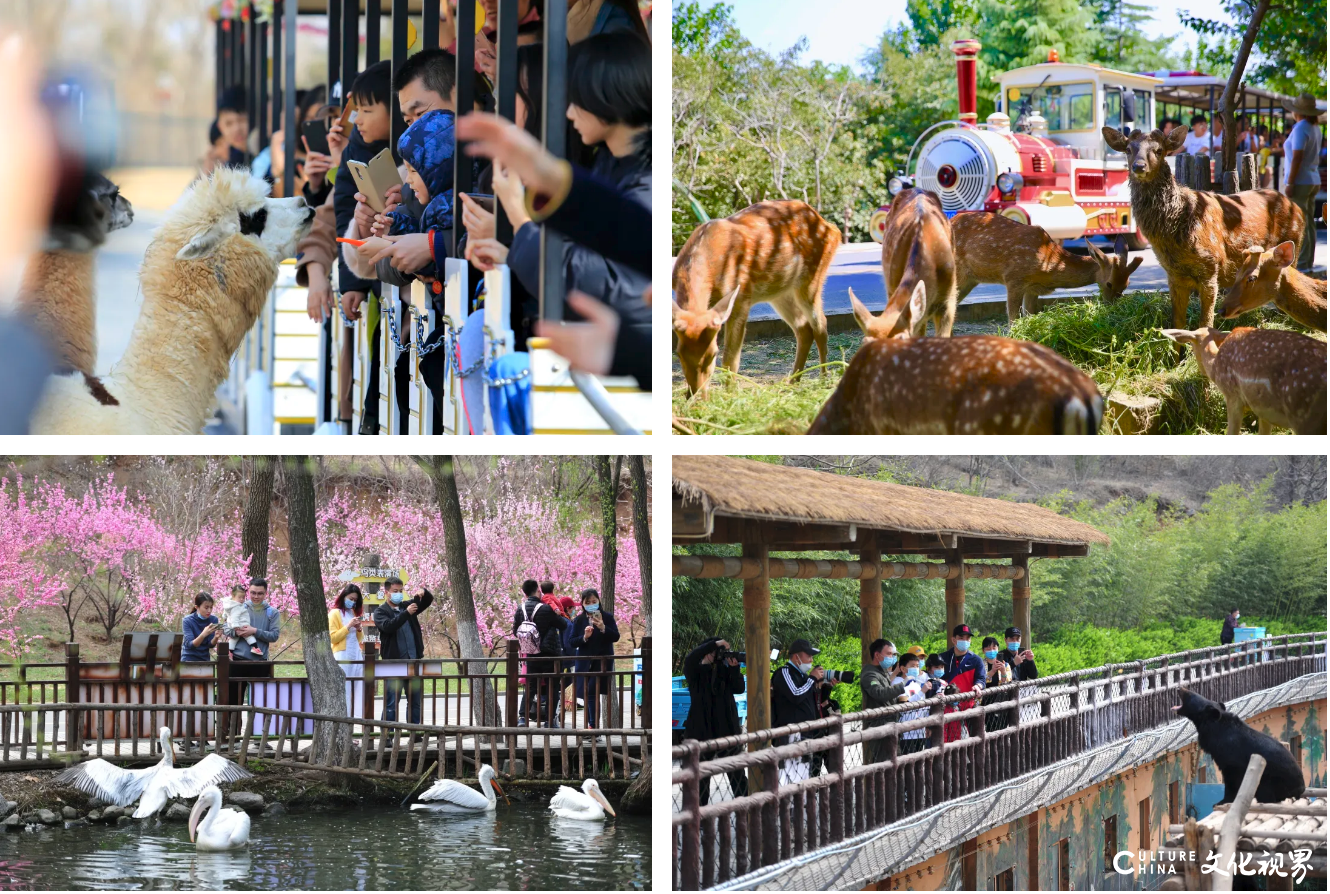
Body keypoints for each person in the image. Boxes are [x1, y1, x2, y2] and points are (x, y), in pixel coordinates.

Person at [334, 61, 393, 328]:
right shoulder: (353, 152)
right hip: (374, 278)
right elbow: (345, 211)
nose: (357, 119)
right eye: (356, 110)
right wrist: (352, 284)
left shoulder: (413, 150)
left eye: (367, 110)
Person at [682, 637, 747, 805]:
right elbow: (690, 658)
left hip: (727, 729)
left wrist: (734, 669)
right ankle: (697, 815)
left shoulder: (724, 670)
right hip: (701, 730)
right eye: (718, 651)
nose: (721, 655)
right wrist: (715, 645)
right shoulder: (695, 670)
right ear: (708, 651)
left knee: (737, 772)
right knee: (700, 775)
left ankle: (747, 809)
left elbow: (739, 688)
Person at [374, 577, 433, 724]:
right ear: (386, 592)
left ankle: (415, 734)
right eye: (395, 591)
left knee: (415, 701)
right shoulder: (381, 612)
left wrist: (423, 592)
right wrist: (406, 613)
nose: (398, 594)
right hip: (394, 664)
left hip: (413, 661)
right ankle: (387, 736)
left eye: (401, 591)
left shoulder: (407, 606)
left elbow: (427, 600)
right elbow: (388, 626)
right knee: (391, 702)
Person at [512, 578, 569, 727]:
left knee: (531, 686)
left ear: (525, 593)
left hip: (531, 654)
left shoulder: (521, 609)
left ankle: (523, 718)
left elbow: (515, 631)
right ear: (538, 590)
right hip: (550, 654)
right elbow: (563, 625)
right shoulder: (545, 608)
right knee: (552, 686)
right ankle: (550, 720)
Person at [569, 588, 619, 740]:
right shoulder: (579, 620)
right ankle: (593, 728)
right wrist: (584, 636)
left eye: (594, 601)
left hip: (602, 661)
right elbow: (572, 641)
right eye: (588, 602)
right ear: (583, 604)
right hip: (584, 662)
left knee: (592, 691)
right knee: (588, 694)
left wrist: (603, 628)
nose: (591, 604)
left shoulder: (607, 617)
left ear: (599, 601)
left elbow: (616, 636)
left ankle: (593, 728)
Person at [223, 578, 281, 708]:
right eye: (253, 592)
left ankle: (257, 729)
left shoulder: (272, 612)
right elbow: (225, 628)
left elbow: (274, 636)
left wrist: (254, 631)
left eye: (260, 593)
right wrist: (236, 632)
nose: (256, 596)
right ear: (249, 591)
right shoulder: (238, 606)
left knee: (260, 704)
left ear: (266, 593)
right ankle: (234, 728)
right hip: (237, 660)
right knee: (233, 701)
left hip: (260, 661)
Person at [771, 639, 823, 782]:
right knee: (788, 777)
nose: (812, 660)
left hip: (806, 733)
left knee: (803, 776)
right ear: (796, 657)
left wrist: (823, 685)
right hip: (790, 733)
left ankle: (802, 804)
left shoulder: (803, 676)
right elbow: (796, 695)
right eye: (809, 656)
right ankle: (787, 805)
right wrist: (812, 678)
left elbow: (810, 701)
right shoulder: (784, 672)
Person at [1282, 93, 1323, 272]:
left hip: (1301, 180)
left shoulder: (1300, 128)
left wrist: (1290, 182)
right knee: (1310, 222)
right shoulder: (1315, 128)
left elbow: (1297, 156)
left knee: (1300, 222)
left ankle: (1303, 264)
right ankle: (1308, 261)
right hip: (1313, 178)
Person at [860, 639, 906, 765]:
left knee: (894, 763)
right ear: (877, 655)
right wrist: (902, 686)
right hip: (879, 725)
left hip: (889, 723)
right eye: (889, 654)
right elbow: (879, 693)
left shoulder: (882, 672)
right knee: (885, 765)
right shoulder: (869, 674)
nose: (892, 657)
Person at [940, 624, 985, 743]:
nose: (965, 641)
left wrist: (978, 686)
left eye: (968, 638)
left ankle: (972, 761)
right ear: (953, 639)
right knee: (944, 742)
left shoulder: (976, 660)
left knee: (971, 742)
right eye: (961, 638)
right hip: (946, 708)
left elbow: (981, 679)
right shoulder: (942, 658)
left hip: (968, 707)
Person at [328, 584, 367, 676]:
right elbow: (333, 638)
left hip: (355, 652)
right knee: (345, 682)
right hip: (342, 654)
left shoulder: (352, 613)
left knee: (357, 682)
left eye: (355, 600)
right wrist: (348, 626)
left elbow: (360, 638)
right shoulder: (334, 613)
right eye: (351, 599)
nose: (352, 602)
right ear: (343, 596)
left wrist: (359, 629)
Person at [981, 636, 1012, 733]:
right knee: (987, 730)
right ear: (983, 650)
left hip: (1000, 701)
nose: (991, 650)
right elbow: (980, 681)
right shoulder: (980, 665)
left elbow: (1007, 683)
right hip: (984, 701)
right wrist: (992, 671)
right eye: (988, 648)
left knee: (1001, 730)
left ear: (998, 649)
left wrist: (1003, 672)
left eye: (994, 648)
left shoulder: (1005, 665)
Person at [182, 593, 222, 662]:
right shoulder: (187, 620)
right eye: (206, 608)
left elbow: (210, 644)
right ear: (197, 607)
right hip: (189, 659)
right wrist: (203, 634)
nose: (209, 610)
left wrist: (216, 637)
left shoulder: (213, 619)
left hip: (204, 659)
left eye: (211, 607)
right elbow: (191, 645)